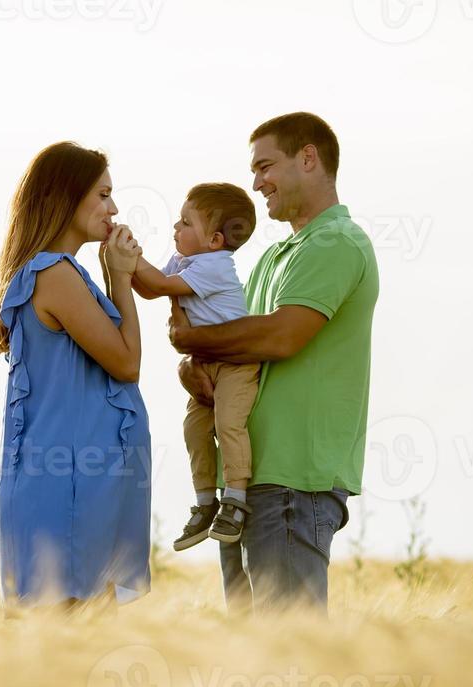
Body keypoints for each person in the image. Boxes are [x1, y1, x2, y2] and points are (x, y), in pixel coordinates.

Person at [169, 113, 380, 614]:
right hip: (245, 484)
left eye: (265, 165)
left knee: (291, 658)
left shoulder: (336, 243)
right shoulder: (272, 258)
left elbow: (281, 337)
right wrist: (192, 365)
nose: (256, 181)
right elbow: (236, 348)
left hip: (292, 482)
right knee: (253, 660)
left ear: (309, 158)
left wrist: (191, 339)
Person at [0, 141, 152, 610]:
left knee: (75, 649)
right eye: (102, 194)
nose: (113, 208)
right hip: (65, 493)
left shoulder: (64, 273)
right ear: (67, 196)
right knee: (69, 638)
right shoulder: (55, 275)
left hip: (73, 486)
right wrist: (120, 278)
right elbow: (126, 364)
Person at [130, 183, 259, 550]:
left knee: (228, 422)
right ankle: (206, 503)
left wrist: (132, 253)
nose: (176, 227)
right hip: (205, 363)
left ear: (216, 240)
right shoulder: (186, 261)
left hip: (236, 364)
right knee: (193, 428)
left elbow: (157, 284)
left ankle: (235, 499)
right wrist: (124, 261)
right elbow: (151, 287)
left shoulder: (215, 266)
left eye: (186, 223)